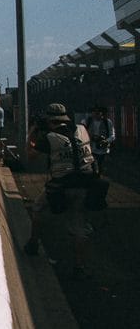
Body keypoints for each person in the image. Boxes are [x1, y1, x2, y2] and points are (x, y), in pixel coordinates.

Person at [24, 103, 101, 279]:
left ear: (50, 120)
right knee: (79, 227)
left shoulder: (50, 137)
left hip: (61, 185)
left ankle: (33, 244)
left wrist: (32, 132)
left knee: (37, 210)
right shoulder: (82, 129)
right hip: (85, 184)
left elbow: (30, 156)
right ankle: (79, 266)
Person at [83, 105, 115, 177]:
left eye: (98, 112)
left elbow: (112, 135)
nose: (96, 114)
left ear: (102, 113)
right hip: (90, 148)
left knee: (101, 165)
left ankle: (99, 175)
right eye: (94, 112)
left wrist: (106, 141)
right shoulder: (87, 121)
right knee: (93, 165)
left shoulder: (107, 122)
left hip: (103, 149)